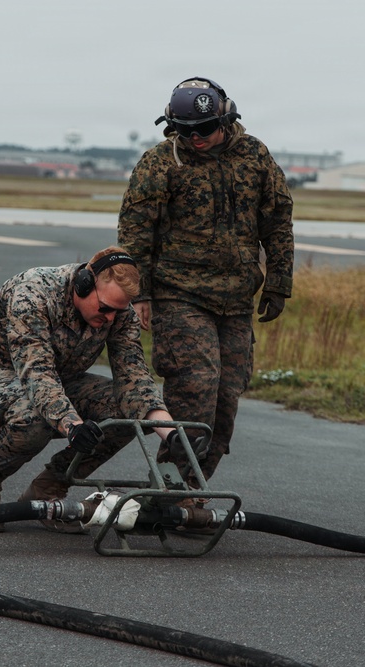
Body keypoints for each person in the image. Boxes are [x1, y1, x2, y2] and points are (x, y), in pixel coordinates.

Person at [117, 76, 294, 492]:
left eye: (205, 129)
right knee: (196, 387)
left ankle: (192, 490)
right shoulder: (160, 163)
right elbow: (136, 232)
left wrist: (278, 282)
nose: (195, 139)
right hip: (179, 294)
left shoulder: (255, 156)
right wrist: (139, 294)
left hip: (236, 298)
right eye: (185, 131)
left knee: (226, 399)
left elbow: (277, 221)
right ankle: (172, 486)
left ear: (226, 120)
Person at [0, 246, 176, 532]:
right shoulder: (33, 293)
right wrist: (73, 426)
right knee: (35, 414)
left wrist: (171, 434)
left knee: (129, 413)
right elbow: (37, 374)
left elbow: (135, 379)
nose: (110, 318)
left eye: (117, 311)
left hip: (55, 382)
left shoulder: (118, 313)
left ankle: (49, 487)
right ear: (84, 284)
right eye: (105, 308)